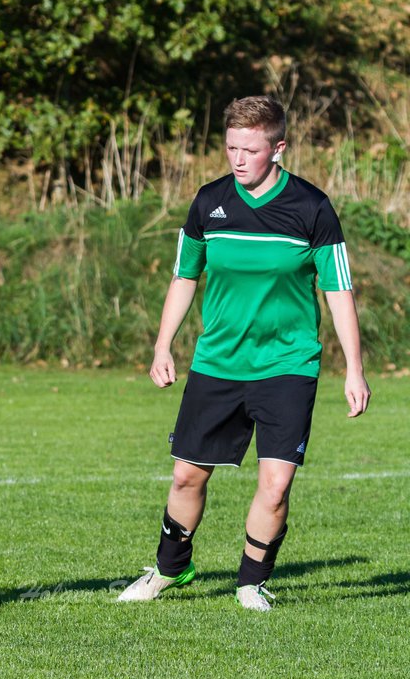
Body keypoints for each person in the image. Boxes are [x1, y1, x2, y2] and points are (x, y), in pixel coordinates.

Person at [118, 95, 371, 612]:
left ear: (278, 149)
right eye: (231, 147)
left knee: (275, 487)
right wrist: (163, 344)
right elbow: (185, 276)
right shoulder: (209, 201)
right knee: (188, 475)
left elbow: (339, 291)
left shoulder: (312, 207)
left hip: (287, 366)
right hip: (217, 364)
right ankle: (170, 569)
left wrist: (355, 370)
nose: (238, 159)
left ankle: (250, 581)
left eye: (250, 150)